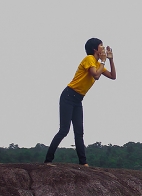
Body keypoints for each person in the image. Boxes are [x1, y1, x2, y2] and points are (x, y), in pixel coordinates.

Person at [44, 38, 116, 166]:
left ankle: (83, 163)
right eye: (101, 45)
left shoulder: (98, 64)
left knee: (79, 132)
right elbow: (96, 75)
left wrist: (110, 59)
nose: (103, 48)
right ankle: (48, 161)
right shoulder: (89, 59)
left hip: (78, 99)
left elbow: (113, 76)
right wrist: (104, 61)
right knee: (64, 130)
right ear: (95, 49)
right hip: (68, 95)